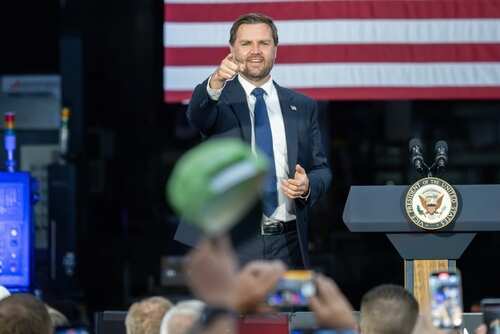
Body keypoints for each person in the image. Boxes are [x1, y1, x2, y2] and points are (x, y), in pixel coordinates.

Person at [176, 12, 332, 268]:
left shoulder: (302, 106)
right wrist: (215, 81)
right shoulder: (218, 101)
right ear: (232, 50)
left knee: (289, 310)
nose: (255, 51)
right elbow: (197, 115)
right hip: (233, 244)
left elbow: (322, 170)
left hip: (288, 243)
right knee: (234, 311)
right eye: (246, 44)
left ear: (275, 49)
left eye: (264, 43)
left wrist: (307, 185)